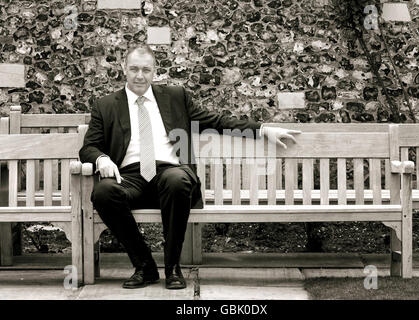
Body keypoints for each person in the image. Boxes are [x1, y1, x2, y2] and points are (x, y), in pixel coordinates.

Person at [79, 44, 300, 290]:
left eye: (146, 69)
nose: (139, 75)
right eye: (134, 69)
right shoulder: (106, 105)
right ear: (123, 68)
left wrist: (262, 129)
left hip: (171, 173)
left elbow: (216, 121)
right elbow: (88, 148)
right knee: (102, 192)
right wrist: (101, 159)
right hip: (131, 178)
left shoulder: (175, 96)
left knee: (176, 180)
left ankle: (173, 267)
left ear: (155, 71)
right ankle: (145, 266)